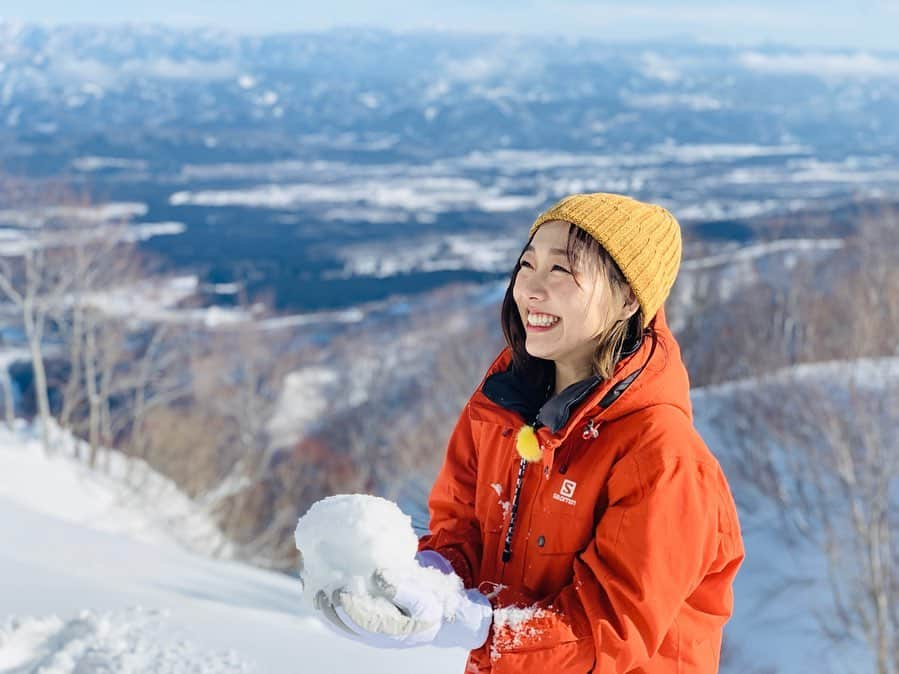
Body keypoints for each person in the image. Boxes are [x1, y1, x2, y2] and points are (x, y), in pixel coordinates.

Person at [311, 192, 745, 674]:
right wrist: (425, 583)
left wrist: (473, 624)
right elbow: (462, 531)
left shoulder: (662, 457)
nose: (530, 290)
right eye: (526, 265)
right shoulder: (500, 411)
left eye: (561, 271)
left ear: (627, 299)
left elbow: (609, 630)